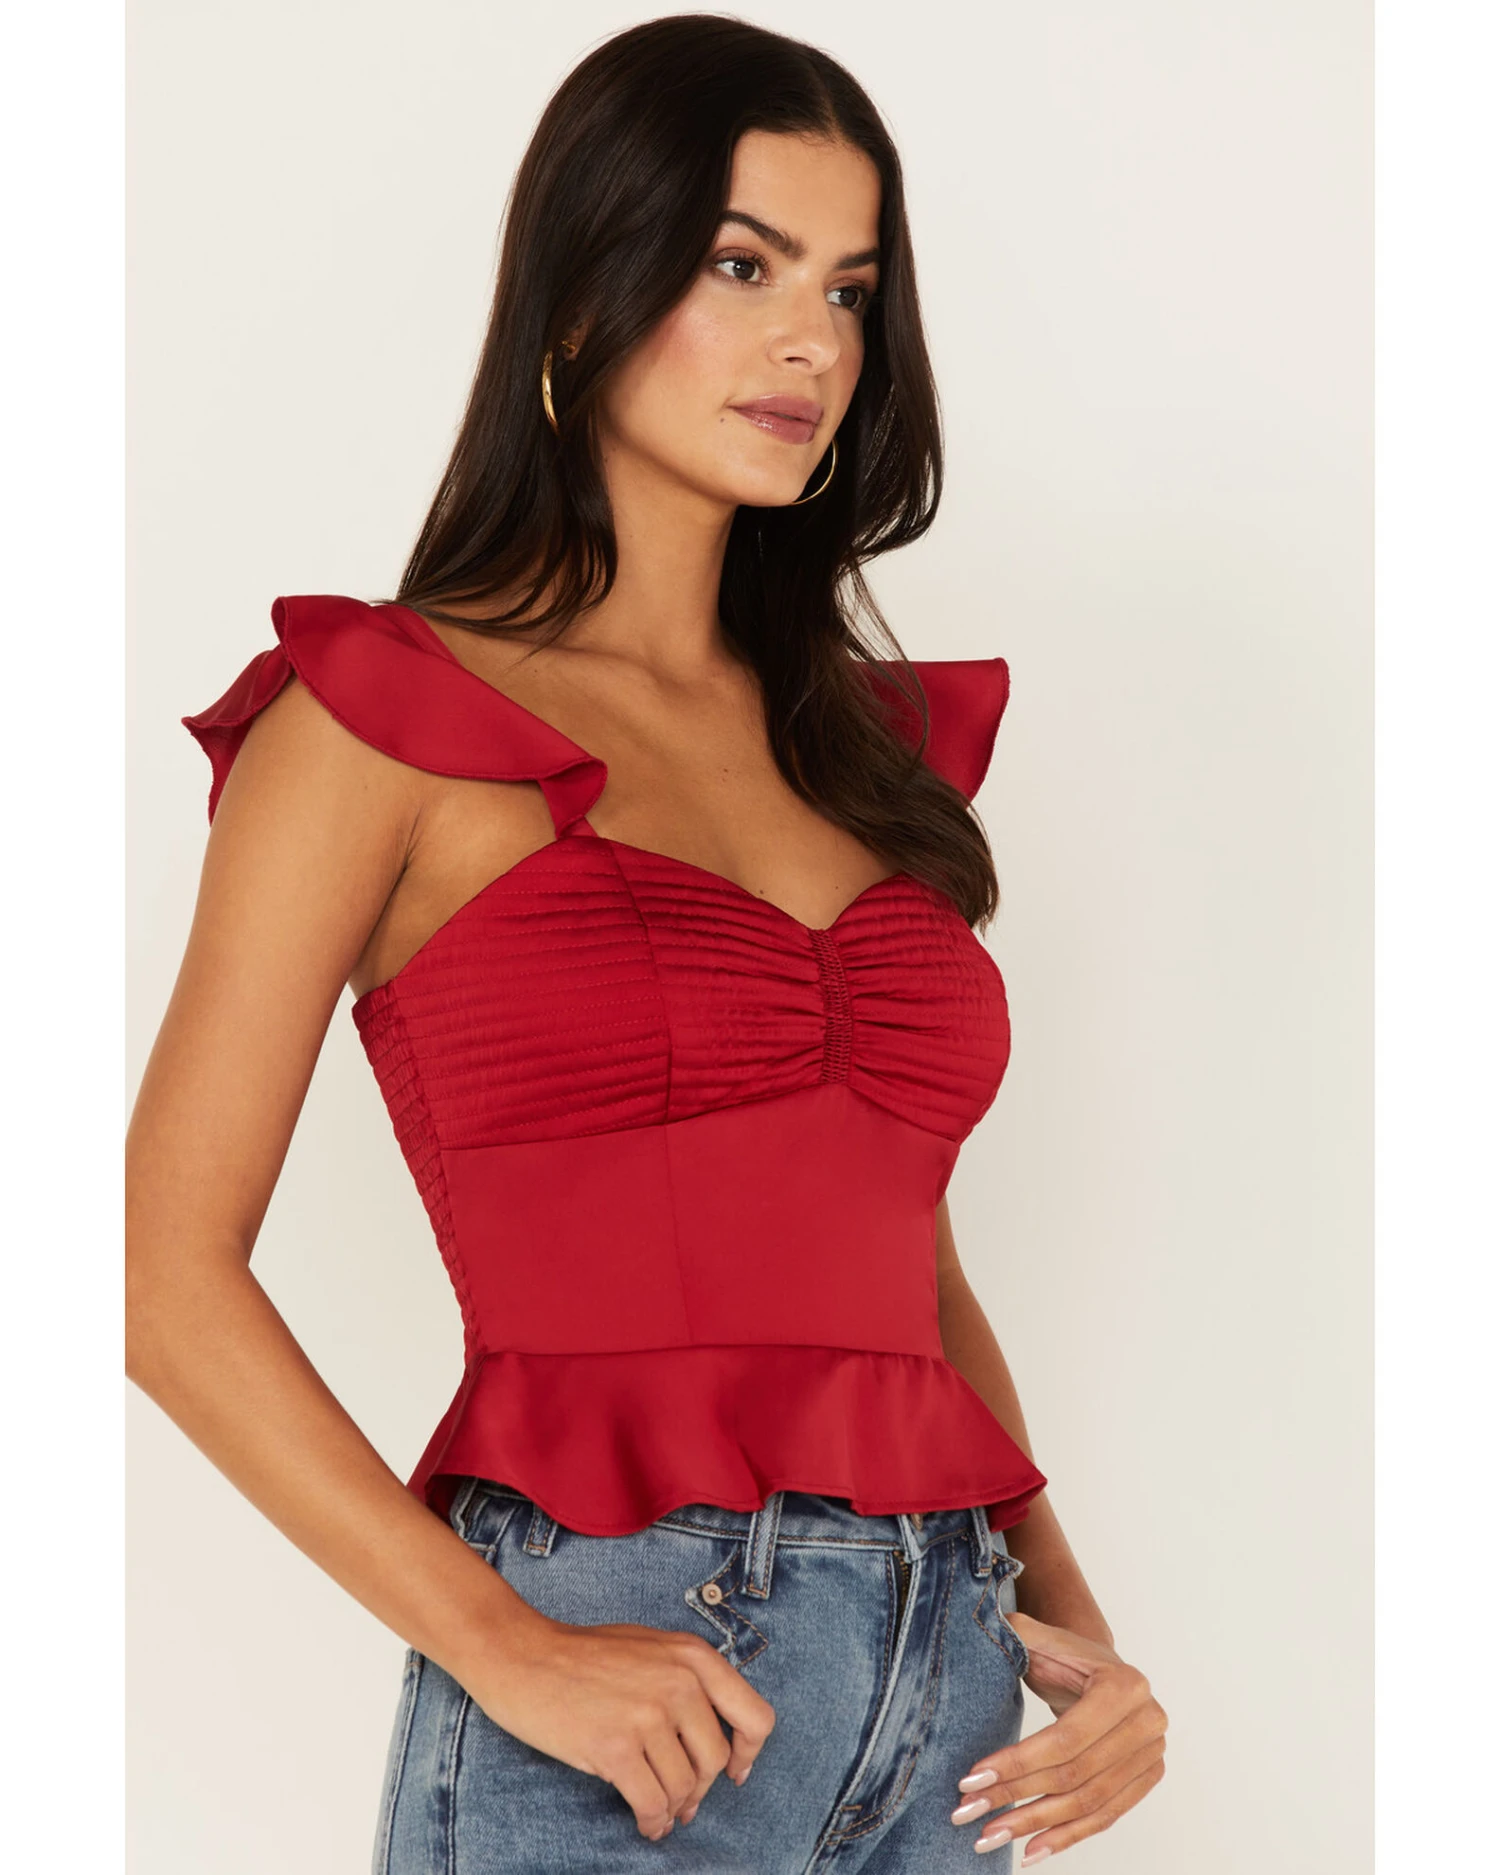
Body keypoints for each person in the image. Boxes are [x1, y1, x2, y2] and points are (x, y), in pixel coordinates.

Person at [126, 16, 1167, 1872]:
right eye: (743, 266)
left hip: (946, 1695)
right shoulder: (382, 719)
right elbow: (152, 1273)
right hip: (619, 1690)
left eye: (850, 290)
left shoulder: (861, 756)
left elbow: (905, 1264)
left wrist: (1070, 1623)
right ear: (584, 290)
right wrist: (500, 1642)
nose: (812, 342)